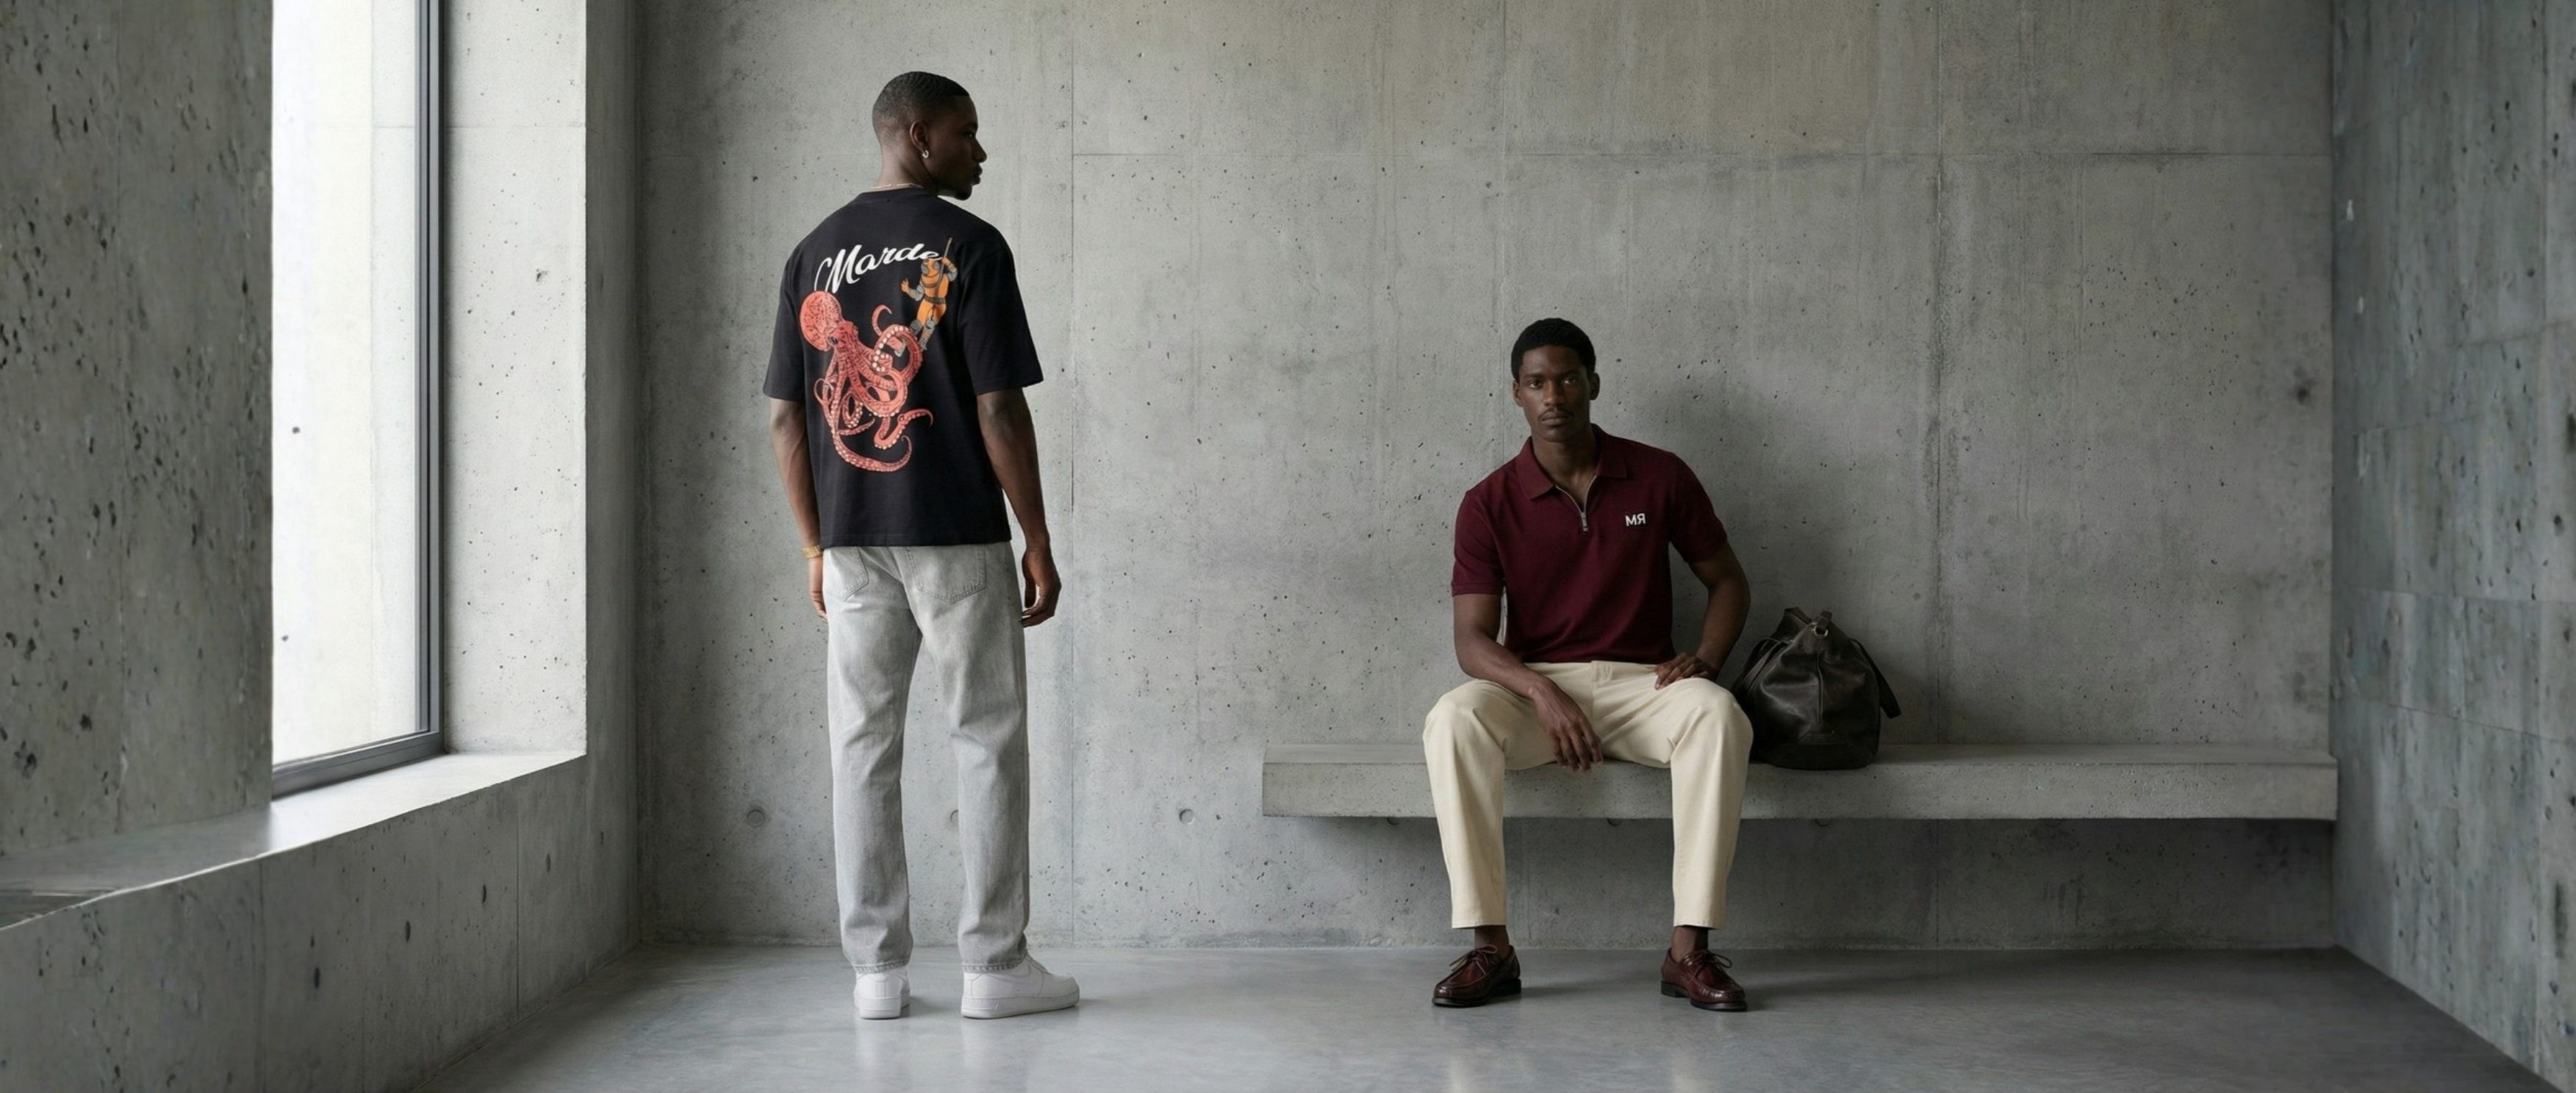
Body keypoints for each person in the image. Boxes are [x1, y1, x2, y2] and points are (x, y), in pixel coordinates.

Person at [764, 71, 1075, 1021]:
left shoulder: (812, 253)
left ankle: (877, 973)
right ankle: (993, 964)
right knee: (985, 734)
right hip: (953, 531)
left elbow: (782, 418)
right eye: (965, 133)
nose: (979, 150)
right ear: (914, 131)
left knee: (861, 745)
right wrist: (1038, 533)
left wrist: (815, 544)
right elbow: (996, 405)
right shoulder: (970, 245)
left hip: (855, 539)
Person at [1423, 318, 1757, 1011]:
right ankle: (1492, 946)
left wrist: (1706, 659)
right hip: (1534, 691)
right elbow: (1472, 641)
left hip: (1646, 685)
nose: (1554, 395)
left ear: (1593, 383)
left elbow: (1728, 581)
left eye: (1568, 378)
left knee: (1718, 714)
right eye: (1537, 382)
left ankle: (1686, 951)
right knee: (1452, 718)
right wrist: (1540, 690)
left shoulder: (1659, 474)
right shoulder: (1487, 502)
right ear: (1515, 394)